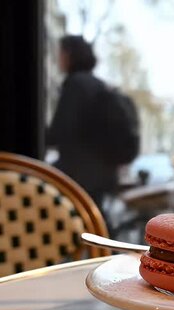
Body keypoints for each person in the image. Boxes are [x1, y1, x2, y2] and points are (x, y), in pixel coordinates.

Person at [47, 35, 138, 209]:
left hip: (79, 174)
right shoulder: (98, 85)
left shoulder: (75, 85)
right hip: (104, 172)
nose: (58, 58)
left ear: (69, 55)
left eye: (60, 53)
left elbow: (60, 131)